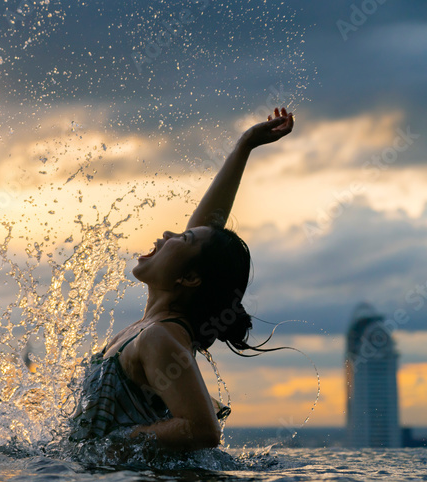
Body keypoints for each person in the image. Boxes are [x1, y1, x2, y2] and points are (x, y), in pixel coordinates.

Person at [69, 107, 295, 457]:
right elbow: (207, 232)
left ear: (189, 278)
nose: (166, 233)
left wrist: (112, 444)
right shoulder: (150, 328)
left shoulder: (160, 337)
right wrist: (244, 147)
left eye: (182, 239)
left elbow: (203, 430)